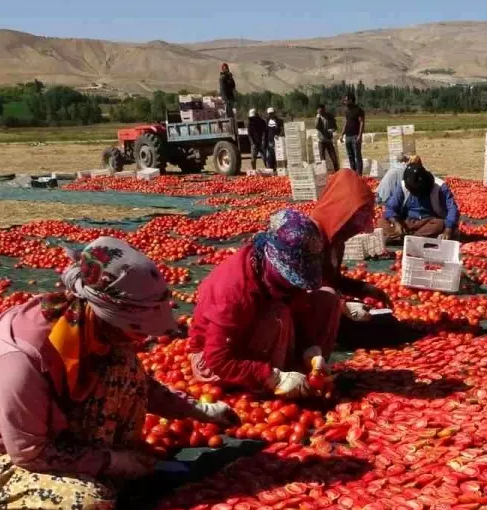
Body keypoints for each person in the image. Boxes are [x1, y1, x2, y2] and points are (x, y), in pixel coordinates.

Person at [0, 237, 238, 510]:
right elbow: (29, 452)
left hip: (51, 437)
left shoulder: (91, 328)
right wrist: (114, 462)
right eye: (136, 329)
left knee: (122, 364)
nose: (142, 340)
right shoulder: (20, 359)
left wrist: (199, 410)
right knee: (86, 507)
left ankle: (109, 471)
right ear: (107, 315)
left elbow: (139, 385)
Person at [189, 215, 339, 399]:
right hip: (214, 362)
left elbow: (299, 304)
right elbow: (217, 360)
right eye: (292, 277)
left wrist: (311, 350)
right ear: (275, 264)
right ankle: (274, 380)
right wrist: (272, 377)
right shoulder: (234, 289)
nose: (296, 285)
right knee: (277, 313)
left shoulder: (273, 276)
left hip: (256, 338)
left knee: (327, 298)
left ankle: (301, 373)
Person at [309, 171, 393, 328]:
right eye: (357, 220)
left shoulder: (337, 239)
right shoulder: (310, 238)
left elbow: (334, 280)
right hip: (306, 317)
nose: (361, 228)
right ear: (342, 211)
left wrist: (366, 289)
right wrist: (342, 306)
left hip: (328, 307)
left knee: (386, 326)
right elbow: (302, 293)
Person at [382, 159, 460, 243]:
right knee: (382, 222)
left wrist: (448, 230)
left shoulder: (439, 187)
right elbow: (391, 207)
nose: (418, 193)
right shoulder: (403, 186)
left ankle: (407, 238)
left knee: (440, 225)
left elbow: (452, 209)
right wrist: (396, 223)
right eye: (414, 191)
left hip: (429, 221)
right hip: (407, 221)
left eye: (420, 190)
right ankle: (415, 238)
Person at [341, 93, 366, 173]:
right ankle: (353, 173)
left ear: (351, 100)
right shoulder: (347, 111)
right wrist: (342, 134)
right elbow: (346, 122)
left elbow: (362, 122)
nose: (344, 102)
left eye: (346, 100)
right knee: (350, 156)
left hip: (355, 136)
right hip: (348, 136)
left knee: (357, 156)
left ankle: (359, 175)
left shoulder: (358, 110)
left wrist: (360, 135)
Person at [316, 103, 340, 172]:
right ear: (318, 111)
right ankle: (323, 172)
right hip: (321, 140)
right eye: (320, 112)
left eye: (322, 111)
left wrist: (332, 129)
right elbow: (316, 126)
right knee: (322, 158)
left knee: (333, 157)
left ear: (324, 110)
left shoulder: (330, 116)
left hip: (328, 139)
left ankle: (337, 171)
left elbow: (335, 127)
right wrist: (318, 117)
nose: (321, 113)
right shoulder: (318, 117)